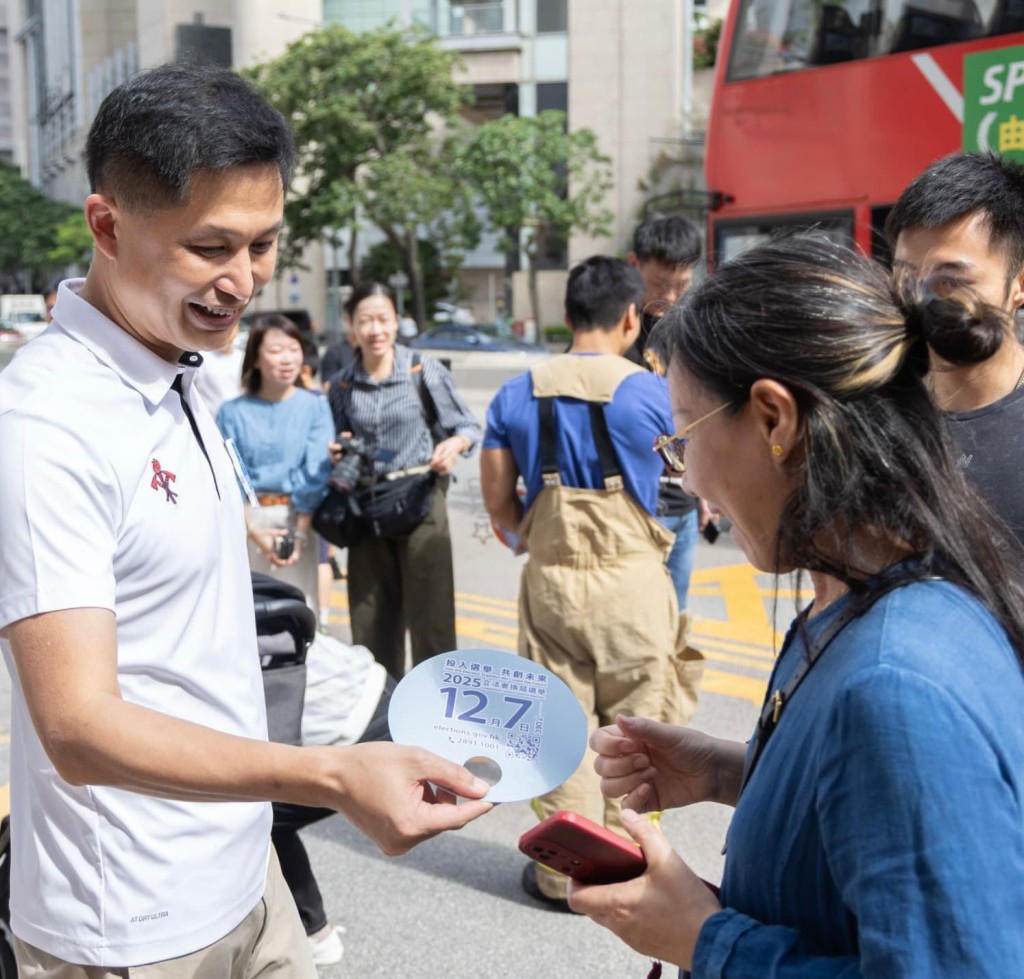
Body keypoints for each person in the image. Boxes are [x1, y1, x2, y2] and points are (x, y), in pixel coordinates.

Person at [0, 63, 491, 977]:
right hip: (132, 924)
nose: (243, 281)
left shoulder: (179, 365)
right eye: (210, 246)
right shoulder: (44, 422)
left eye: (263, 244)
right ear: (106, 225)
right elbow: (76, 725)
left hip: (245, 870)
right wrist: (331, 776)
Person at [573, 234, 1024, 976]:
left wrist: (704, 938)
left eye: (682, 437)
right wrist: (730, 772)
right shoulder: (863, 595)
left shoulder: (894, 687)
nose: (689, 479)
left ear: (774, 419)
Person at [480, 256, 704, 911]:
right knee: (639, 732)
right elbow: (698, 475)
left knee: (558, 727)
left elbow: (497, 502)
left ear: (567, 315)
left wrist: (534, 536)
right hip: (635, 585)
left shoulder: (515, 393)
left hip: (551, 585)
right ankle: (629, 867)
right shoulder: (653, 392)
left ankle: (564, 876)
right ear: (632, 317)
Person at [327, 282, 481, 678]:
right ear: (350, 325)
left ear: (397, 321)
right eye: (365, 321)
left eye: (383, 319)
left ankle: (435, 706)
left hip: (421, 499)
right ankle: (381, 707)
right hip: (367, 506)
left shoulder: (422, 370)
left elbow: (467, 425)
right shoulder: (342, 384)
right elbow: (337, 437)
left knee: (432, 619)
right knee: (370, 622)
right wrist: (338, 451)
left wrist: (454, 445)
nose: (375, 330)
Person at [886, 151, 1024, 548]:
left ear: (1019, 284)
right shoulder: (878, 409)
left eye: (949, 282)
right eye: (906, 277)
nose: (920, 300)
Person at [216, 313, 333, 615]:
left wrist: (300, 534)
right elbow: (229, 476)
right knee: (247, 617)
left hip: (297, 519)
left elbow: (316, 470)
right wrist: (253, 530)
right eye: (276, 350)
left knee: (298, 614)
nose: (287, 359)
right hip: (246, 522)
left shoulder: (315, 407)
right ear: (255, 358)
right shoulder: (231, 412)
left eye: (294, 349)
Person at [626, 214, 708, 611]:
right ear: (634, 265)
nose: (671, 298)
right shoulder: (613, 329)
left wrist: (704, 490)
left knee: (677, 614)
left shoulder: (689, 329)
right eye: (659, 284)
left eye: (682, 285)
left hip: (683, 505)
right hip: (633, 507)